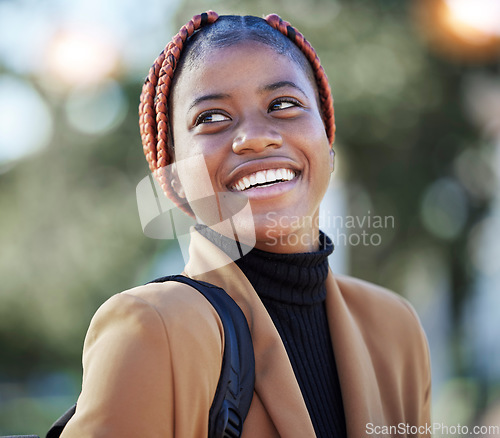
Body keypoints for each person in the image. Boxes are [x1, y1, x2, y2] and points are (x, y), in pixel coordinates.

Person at [60, 11, 431, 438]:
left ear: (327, 143)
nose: (254, 137)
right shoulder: (151, 328)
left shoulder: (395, 327)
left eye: (284, 104)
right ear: (174, 181)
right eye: (211, 117)